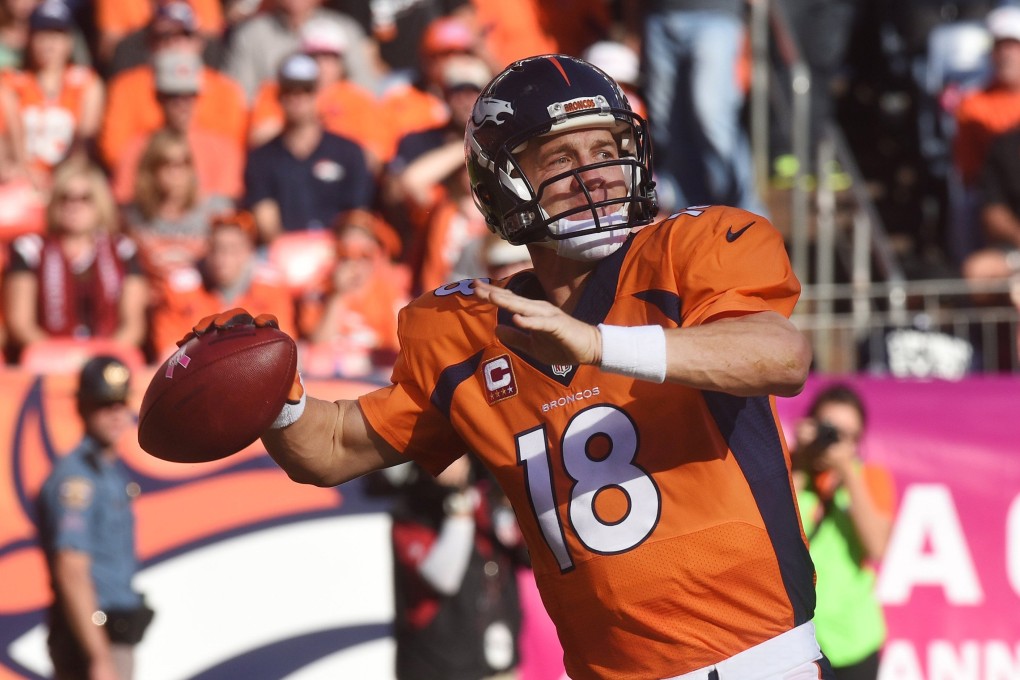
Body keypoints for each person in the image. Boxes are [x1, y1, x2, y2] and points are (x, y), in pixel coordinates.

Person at [182, 55, 825, 679]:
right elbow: (329, 448)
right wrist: (270, 393)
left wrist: (599, 344)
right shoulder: (469, 327)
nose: (594, 175)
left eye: (605, 152)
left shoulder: (693, 249)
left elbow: (779, 355)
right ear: (504, 184)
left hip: (758, 661)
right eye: (563, 159)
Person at [36, 355, 154, 680]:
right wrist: (99, 656)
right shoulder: (76, 479)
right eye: (104, 404)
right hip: (91, 637)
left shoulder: (108, 471)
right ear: (82, 407)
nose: (116, 414)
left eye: (120, 403)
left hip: (113, 632)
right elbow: (71, 567)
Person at [790, 384, 895, 680]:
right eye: (829, 430)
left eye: (848, 436)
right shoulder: (788, 469)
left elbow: (878, 547)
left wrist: (847, 472)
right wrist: (799, 464)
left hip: (853, 639)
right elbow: (771, 537)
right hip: (796, 642)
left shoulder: (870, 477)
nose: (835, 442)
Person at [390, 454, 527, 680]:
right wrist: (460, 502)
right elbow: (444, 578)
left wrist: (509, 500)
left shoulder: (487, 500)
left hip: (496, 664)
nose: (453, 460)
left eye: (460, 453)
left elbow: (528, 555)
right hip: (436, 668)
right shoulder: (411, 511)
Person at [2, 158, 149, 363]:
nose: (74, 205)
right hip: (49, 359)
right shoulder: (29, 249)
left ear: (99, 202)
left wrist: (101, 359)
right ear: (55, 202)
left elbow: (133, 326)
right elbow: (21, 323)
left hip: (110, 357)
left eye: (84, 198)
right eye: (66, 198)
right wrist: (62, 357)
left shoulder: (124, 250)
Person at [633, 0, 764, 214]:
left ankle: (745, 213)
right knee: (665, 124)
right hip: (658, 15)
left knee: (712, 115)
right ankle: (692, 214)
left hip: (716, 15)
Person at [97, 2, 247, 173]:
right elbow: (114, 151)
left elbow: (233, 151)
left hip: (209, 181)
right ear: (151, 43)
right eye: (165, 36)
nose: (175, 43)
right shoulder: (126, 87)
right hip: (144, 183)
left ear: (199, 43)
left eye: (184, 35)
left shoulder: (226, 90)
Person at [243, 52, 374, 242]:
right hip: (284, 256)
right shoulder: (261, 159)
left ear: (317, 93)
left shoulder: (349, 153)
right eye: (290, 90)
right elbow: (268, 225)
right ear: (279, 95)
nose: (297, 97)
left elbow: (357, 218)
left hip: (338, 252)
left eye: (306, 90)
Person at [149, 209, 296, 360]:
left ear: (249, 251)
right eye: (217, 248)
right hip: (197, 372)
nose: (223, 257)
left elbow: (283, 345)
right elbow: (169, 353)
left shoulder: (271, 287)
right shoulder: (180, 287)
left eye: (232, 249)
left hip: (256, 368)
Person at [111, 49, 244, 206]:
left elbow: (225, 205)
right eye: (173, 96)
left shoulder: (223, 149)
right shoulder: (136, 149)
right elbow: (126, 204)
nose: (182, 105)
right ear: (158, 98)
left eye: (189, 96)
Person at [0, 1, 104, 191]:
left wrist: (59, 180)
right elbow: (7, 138)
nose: (48, 44)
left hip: (68, 180)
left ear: (70, 41)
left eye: (56, 35)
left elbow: (84, 145)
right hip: (22, 180)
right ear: (29, 39)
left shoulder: (86, 83)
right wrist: (25, 172)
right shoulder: (10, 83)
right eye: (41, 35)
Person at [950, 5, 1020, 264]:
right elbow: (972, 175)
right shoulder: (973, 105)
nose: (1006, 54)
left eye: (1013, 45)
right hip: (997, 201)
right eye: (999, 46)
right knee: (968, 205)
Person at [121, 128, 234, 288]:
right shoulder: (134, 216)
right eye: (167, 164)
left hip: (200, 300)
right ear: (151, 170)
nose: (176, 173)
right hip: (155, 299)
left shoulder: (215, 211)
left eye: (182, 164)